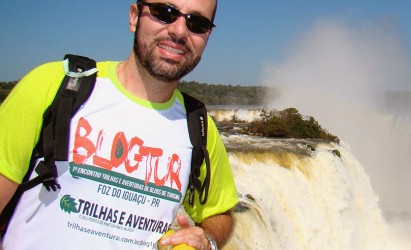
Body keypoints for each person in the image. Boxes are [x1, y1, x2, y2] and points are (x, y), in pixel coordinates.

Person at [0, 0, 238, 249]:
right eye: (164, 13)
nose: (179, 31)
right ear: (134, 17)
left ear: (207, 36)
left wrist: (207, 240)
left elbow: (219, 213)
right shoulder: (54, 87)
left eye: (197, 23)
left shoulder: (198, 126)